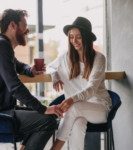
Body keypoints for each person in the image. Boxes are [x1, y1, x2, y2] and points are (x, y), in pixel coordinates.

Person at [0, 9, 64, 150]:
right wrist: (43, 108)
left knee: (48, 118)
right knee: (47, 121)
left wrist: (31, 71)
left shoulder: (3, 46)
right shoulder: (0, 45)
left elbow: (20, 66)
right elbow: (14, 86)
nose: (27, 31)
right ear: (12, 25)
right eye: (25, 26)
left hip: (0, 110)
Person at [47, 17, 112, 150]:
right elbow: (50, 66)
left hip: (100, 107)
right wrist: (54, 75)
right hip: (79, 109)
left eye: (78, 37)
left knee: (73, 108)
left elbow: (91, 89)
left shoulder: (98, 58)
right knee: (77, 124)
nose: (74, 41)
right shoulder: (66, 57)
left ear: (86, 37)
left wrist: (71, 99)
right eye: (71, 37)